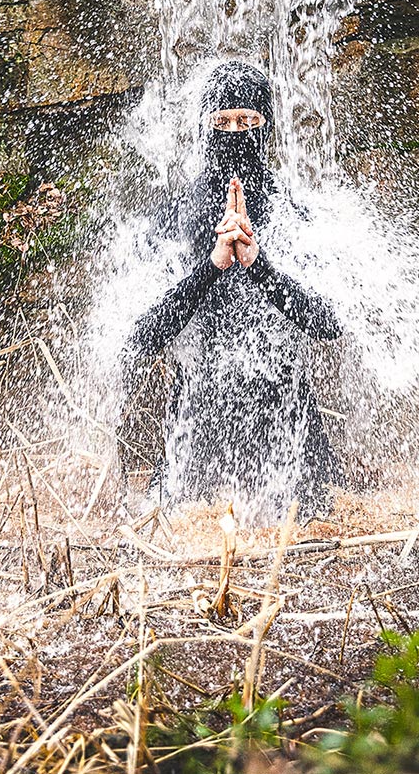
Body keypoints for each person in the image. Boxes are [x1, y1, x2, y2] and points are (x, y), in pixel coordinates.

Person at [123, 60, 342, 519]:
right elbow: (141, 338)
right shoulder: (174, 216)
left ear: (266, 127)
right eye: (221, 122)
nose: (234, 132)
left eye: (247, 120)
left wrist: (258, 267)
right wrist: (213, 266)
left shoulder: (291, 211)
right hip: (198, 421)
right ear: (204, 128)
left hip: (286, 421)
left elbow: (328, 323)